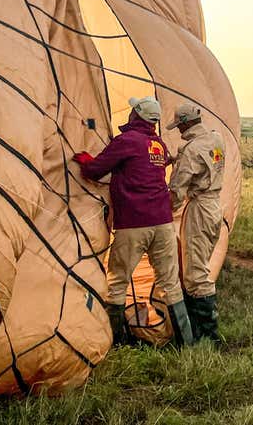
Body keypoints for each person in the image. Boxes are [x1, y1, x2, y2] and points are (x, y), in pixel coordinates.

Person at [73, 96, 194, 348]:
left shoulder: (127, 141)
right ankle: (185, 343)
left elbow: (95, 170)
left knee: (117, 280)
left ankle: (116, 341)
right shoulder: (158, 144)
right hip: (162, 222)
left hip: (133, 224)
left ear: (135, 115)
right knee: (169, 281)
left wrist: (84, 160)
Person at [166, 100, 225, 343]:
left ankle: (207, 336)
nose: (178, 130)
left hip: (199, 209)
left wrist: (162, 213)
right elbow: (205, 160)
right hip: (215, 206)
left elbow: (177, 190)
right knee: (201, 264)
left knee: (194, 273)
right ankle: (203, 331)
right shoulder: (215, 138)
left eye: (179, 126)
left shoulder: (191, 151)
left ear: (186, 123)